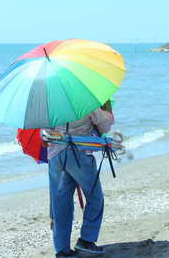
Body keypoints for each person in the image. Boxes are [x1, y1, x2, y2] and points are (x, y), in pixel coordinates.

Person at [41, 107, 114, 258]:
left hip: (55, 156)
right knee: (95, 198)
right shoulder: (86, 102)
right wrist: (106, 114)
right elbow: (104, 127)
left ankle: (61, 250)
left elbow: (45, 131)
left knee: (60, 204)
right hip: (78, 154)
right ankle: (86, 240)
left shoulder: (52, 103)